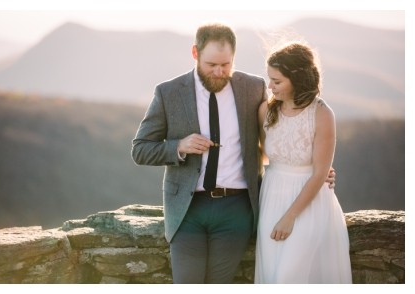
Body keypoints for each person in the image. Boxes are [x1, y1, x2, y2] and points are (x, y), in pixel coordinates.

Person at [131, 23, 335, 283]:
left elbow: (284, 134)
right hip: (187, 210)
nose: (219, 72)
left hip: (236, 208)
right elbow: (140, 150)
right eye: (211, 65)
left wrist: (317, 171)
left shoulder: (254, 88)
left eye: (226, 65)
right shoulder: (168, 92)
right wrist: (178, 146)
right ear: (195, 53)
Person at [254, 43, 351, 283]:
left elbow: (320, 172)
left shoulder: (321, 113)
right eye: (269, 79)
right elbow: (266, 155)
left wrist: (290, 217)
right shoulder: (265, 110)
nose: (270, 86)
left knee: (290, 276)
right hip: (272, 195)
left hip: (309, 201)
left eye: (277, 81)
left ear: (297, 79)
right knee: (274, 274)